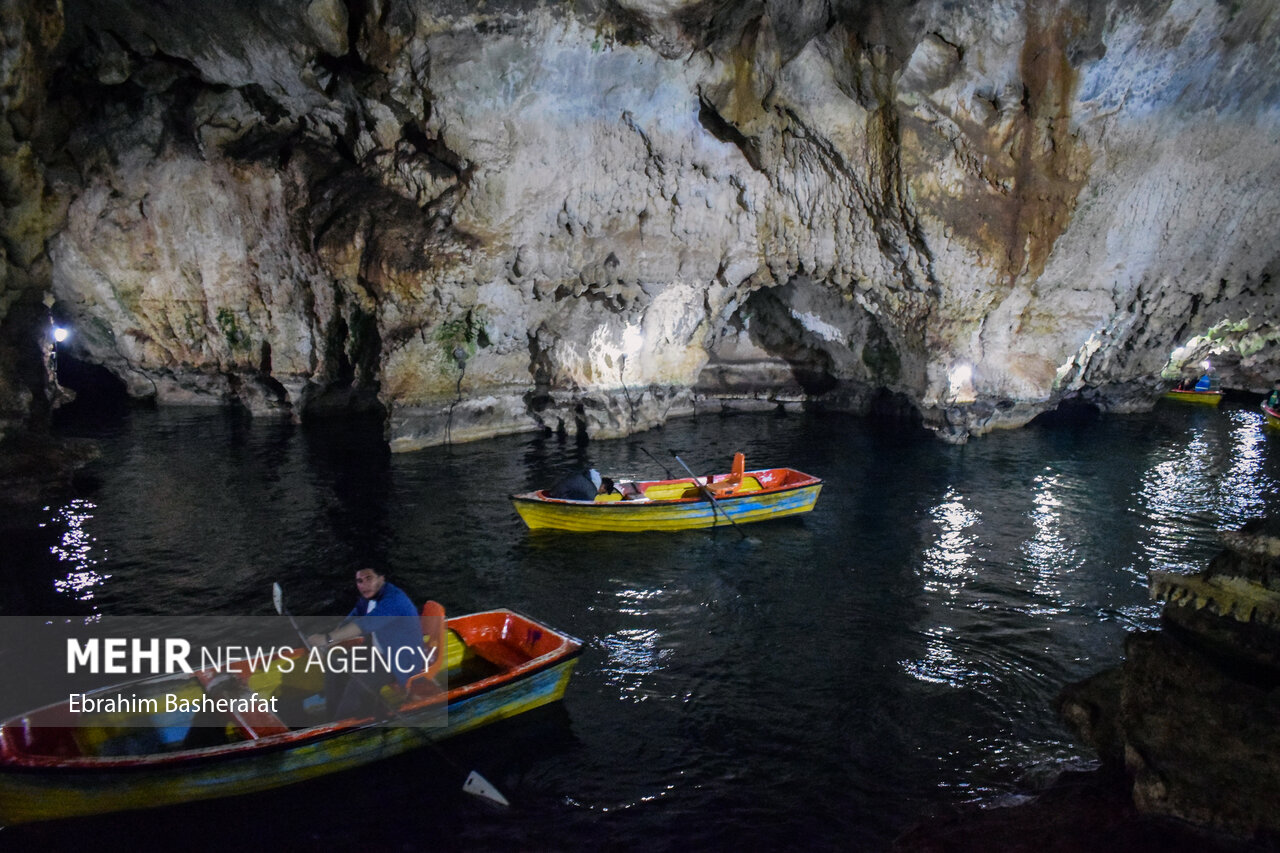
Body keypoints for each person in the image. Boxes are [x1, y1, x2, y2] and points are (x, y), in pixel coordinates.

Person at [307, 567, 427, 720]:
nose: (364, 585)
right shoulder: (368, 598)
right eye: (359, 581)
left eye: (369, 578)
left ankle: (346, 726)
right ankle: (332, 719)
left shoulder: (394, 600)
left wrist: (327, 638)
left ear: (381, 578)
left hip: (399, 658)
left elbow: (365, 624)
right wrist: (328, 644)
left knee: (358, 685)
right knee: (335, 665)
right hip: (377, 652)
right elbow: (352, 619)